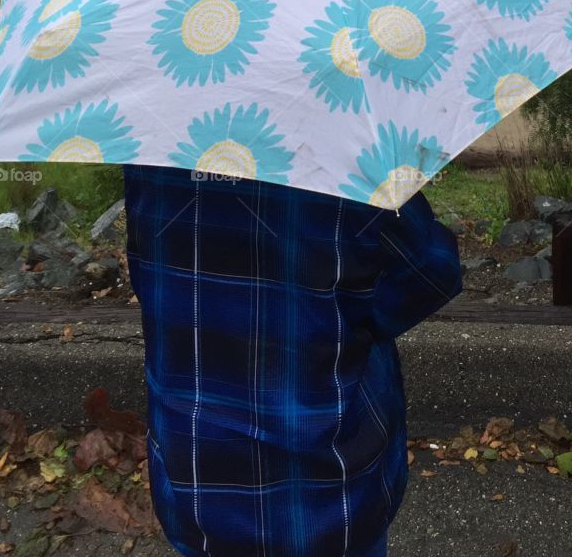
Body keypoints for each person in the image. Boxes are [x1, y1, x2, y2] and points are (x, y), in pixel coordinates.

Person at [123, 164, 462, 557]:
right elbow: (432, 273)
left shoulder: (155, 151)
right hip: (328, 488)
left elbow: (150, 274)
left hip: (195, 473)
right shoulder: (348, 149)